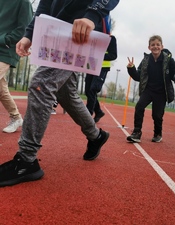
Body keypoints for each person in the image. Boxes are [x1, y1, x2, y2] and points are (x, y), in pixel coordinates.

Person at [0, 0, 119, 187]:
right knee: (66, 94)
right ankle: (96, 136)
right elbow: (45, 6)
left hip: (79, 32)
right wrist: (29, 34)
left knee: (41, 85)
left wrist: (92, 15)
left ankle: (26, 159)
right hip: (55, 32)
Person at [126, 35, 175, 143]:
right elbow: (138, 77)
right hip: (148, 90)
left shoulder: (169, 60)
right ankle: (137, 133)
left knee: (157, 115)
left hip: (161, 92)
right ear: (149, 47)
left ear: (162, 46)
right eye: (153, 45)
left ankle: (157, 133)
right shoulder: (146, 60)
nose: (155, 47)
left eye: (157, 45)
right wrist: (131, 68)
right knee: (139, 106)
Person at [0, 0, 33, 133]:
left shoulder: (24, 3)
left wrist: (5, 40)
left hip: (7, 50)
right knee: (1, 89)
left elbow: (25, 29)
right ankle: (16, 118)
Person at [85, 16, 117, 123]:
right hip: (91, 66)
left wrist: (100, 55)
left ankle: (88, 114)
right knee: (87, 90)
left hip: (102, 68)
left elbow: (113, 55)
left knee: (93, 89)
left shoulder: (111, 39)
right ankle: (98, 111)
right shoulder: (92, 38)